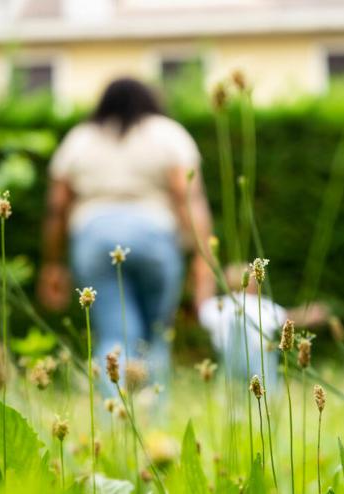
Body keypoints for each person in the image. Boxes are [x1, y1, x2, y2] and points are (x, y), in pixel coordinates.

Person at [38, 77, 215, 386]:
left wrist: (53, 264)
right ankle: (155, 424)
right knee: (156, 334)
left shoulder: (80, 139)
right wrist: (203, 259)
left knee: (115, 334)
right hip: (155, 235)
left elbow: (57, 208)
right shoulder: (168, 134)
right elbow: (188, 199)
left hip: (93, 237)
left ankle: (114, 421)